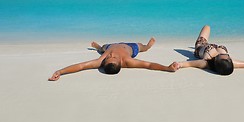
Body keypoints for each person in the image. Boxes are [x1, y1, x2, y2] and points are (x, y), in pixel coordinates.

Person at [48, 37, 179, 81]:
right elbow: (149, 65)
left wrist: (60, 72)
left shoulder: (101, 60)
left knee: (103, 49)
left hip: (110, 45)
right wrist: (167, 68)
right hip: (130, 47)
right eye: (113, 58)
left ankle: (98, 47)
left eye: (108, 58)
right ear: (121, 63)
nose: (110, 55)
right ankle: (148, 46)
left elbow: (81, 66)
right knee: (141, 47)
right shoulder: (129, 61)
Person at [173, 25, 244, 75]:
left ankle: (195, 48)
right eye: (229, 58)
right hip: (213, 47)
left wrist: (178, 65)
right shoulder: (230, 63)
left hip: (201, 46)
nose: (229, 57)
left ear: (217, 61)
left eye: (226, 57)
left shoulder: (205, 63)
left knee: (207, 26)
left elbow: (187, 64)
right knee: (208, 27)